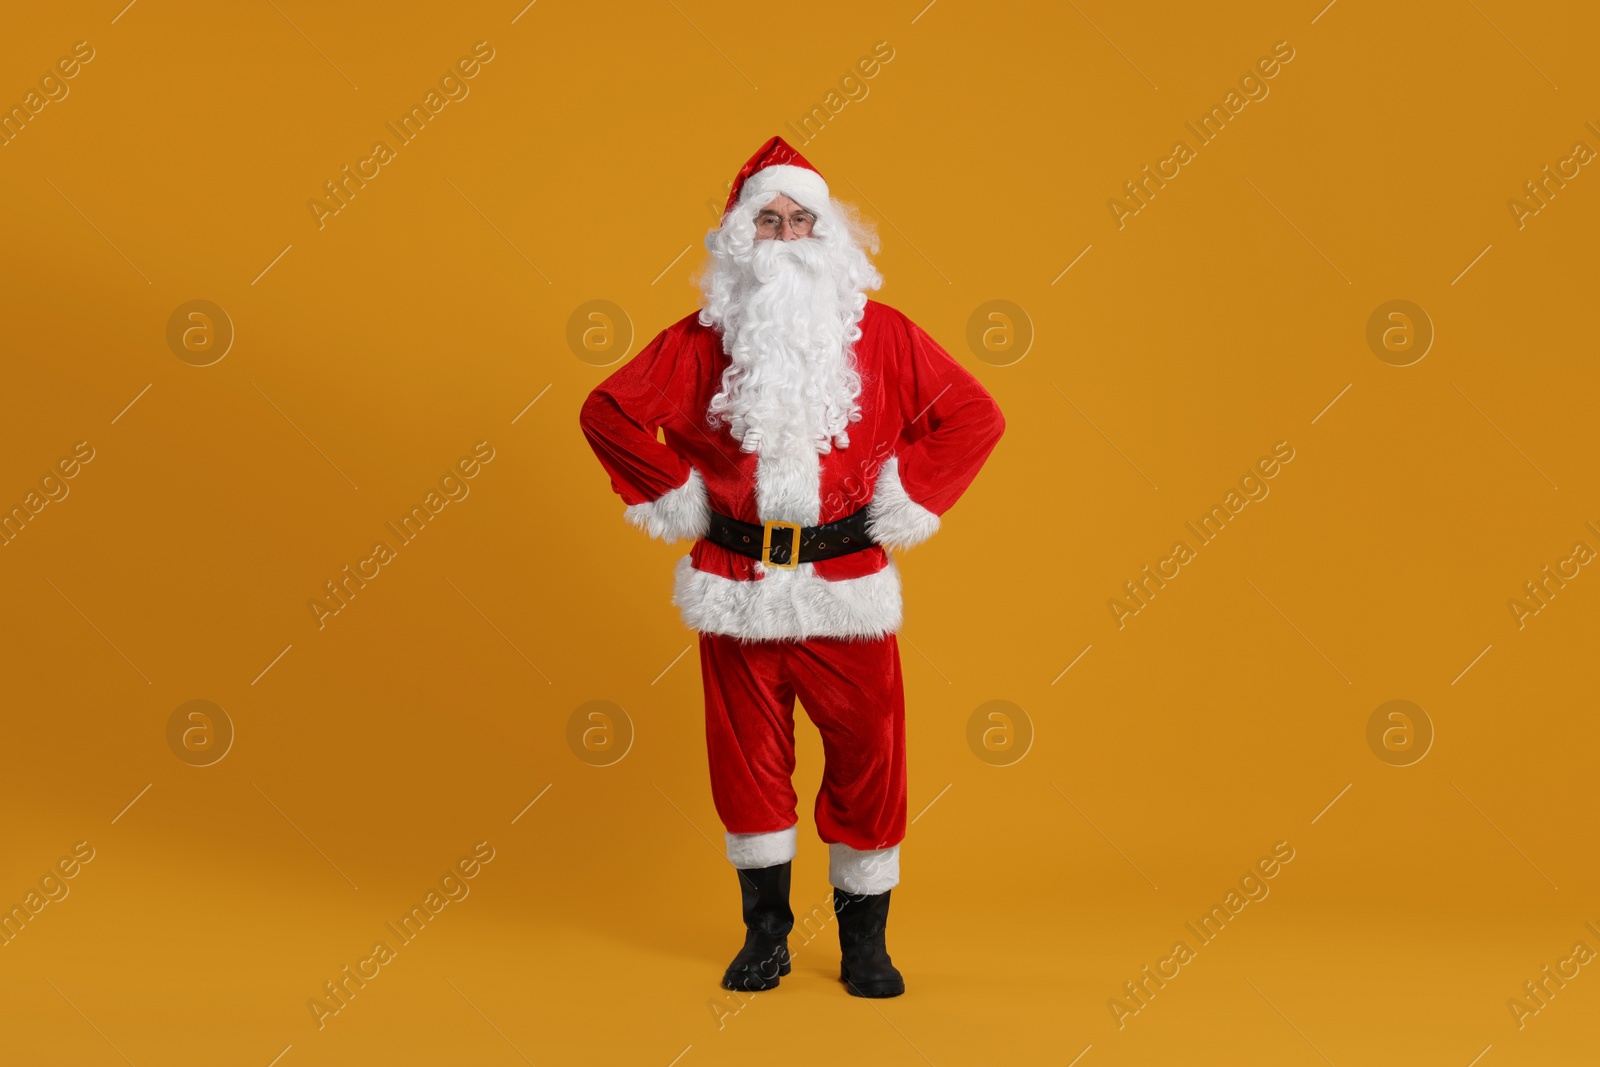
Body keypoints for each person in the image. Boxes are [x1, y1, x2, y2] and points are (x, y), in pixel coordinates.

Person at [578, 135, 1004, 998]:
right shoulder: (699, 341)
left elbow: (974, 416)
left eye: (801, 220)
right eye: (767, 222)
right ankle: (766, 936)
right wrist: (678, 495)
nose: (785, 235)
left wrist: (905, 496)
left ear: (829, 236)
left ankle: (865, 946)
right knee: (747, 765)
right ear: (742, 240)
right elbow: (608, 410)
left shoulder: (883, 336)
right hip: (736, 591)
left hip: (847, 590)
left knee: (871, 760)